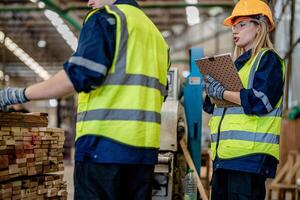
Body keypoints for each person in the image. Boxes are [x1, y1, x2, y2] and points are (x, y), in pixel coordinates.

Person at [0, 0, 170, 199]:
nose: (90, 1)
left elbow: (79, 75)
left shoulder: (108, 18)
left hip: (103, 147)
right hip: (144, 155)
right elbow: (162, 93)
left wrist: (16, 95)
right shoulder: (157, 37)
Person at [203, 0, 285, 199]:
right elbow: (209, 107)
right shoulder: (237, 65)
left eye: (242, 25)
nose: (235, 31)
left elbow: (261, 101)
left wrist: (222, 93)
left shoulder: (268, 60)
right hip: (224, 158)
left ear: (259, 27)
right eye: (233, 26)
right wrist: (211, 90)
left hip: (249, 159)